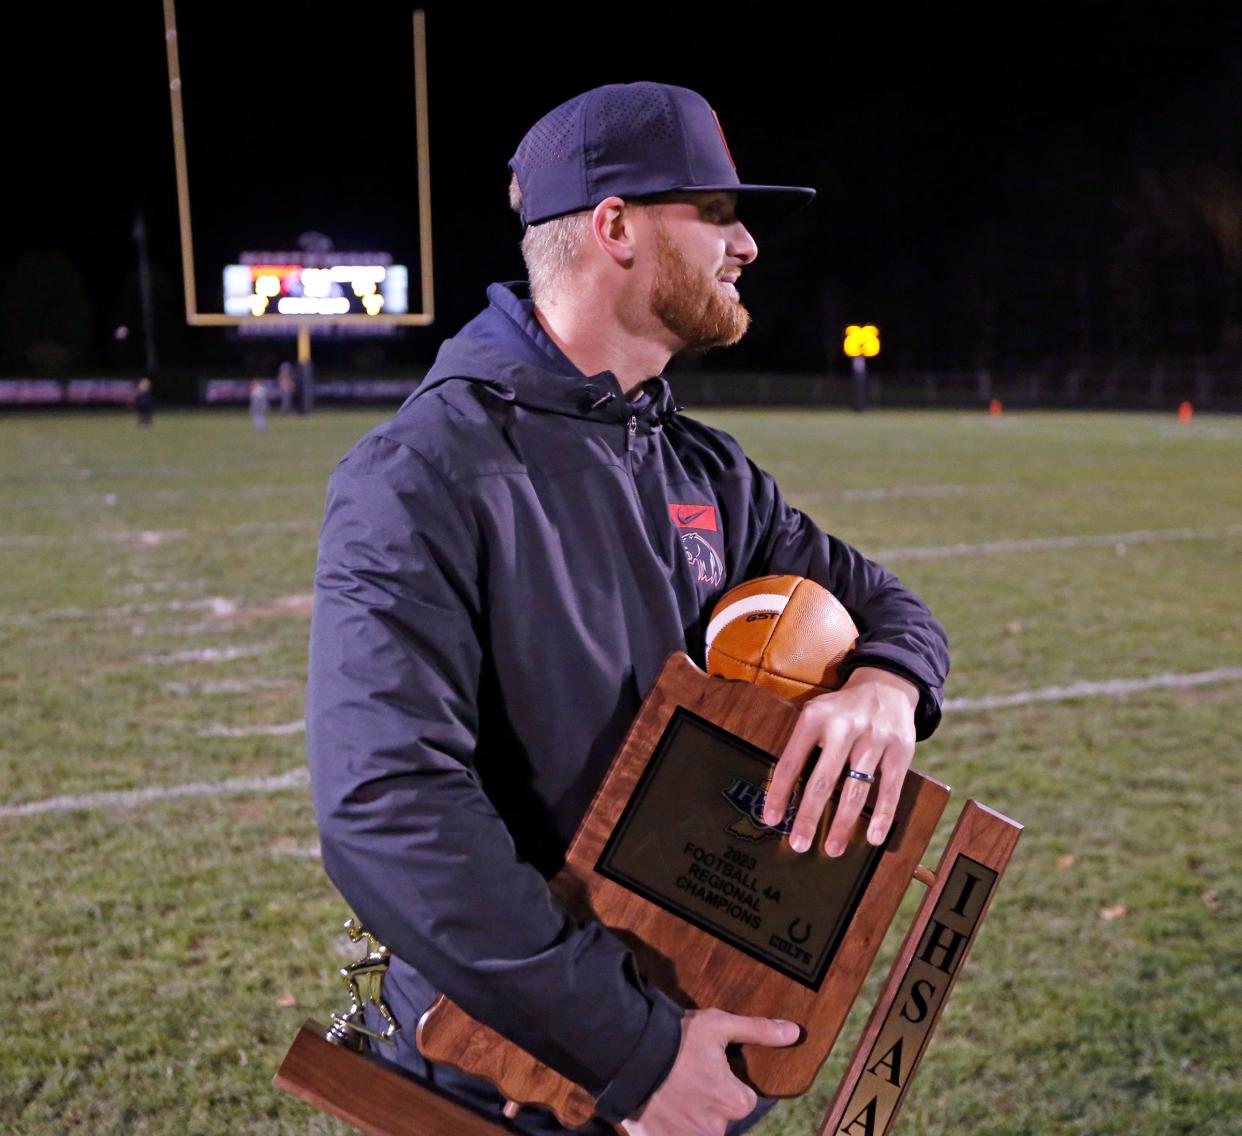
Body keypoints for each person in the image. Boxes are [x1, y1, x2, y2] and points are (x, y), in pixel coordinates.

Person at [306, 81, 950, 1136]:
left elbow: (887, 604)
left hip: (694, 1036)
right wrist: (635, 1053)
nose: (745, 246)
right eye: (718, 214)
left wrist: (888, 682)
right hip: (517, 1073)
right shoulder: (423, 471)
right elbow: (388, 809)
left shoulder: (701, 465)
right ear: (616, 227)